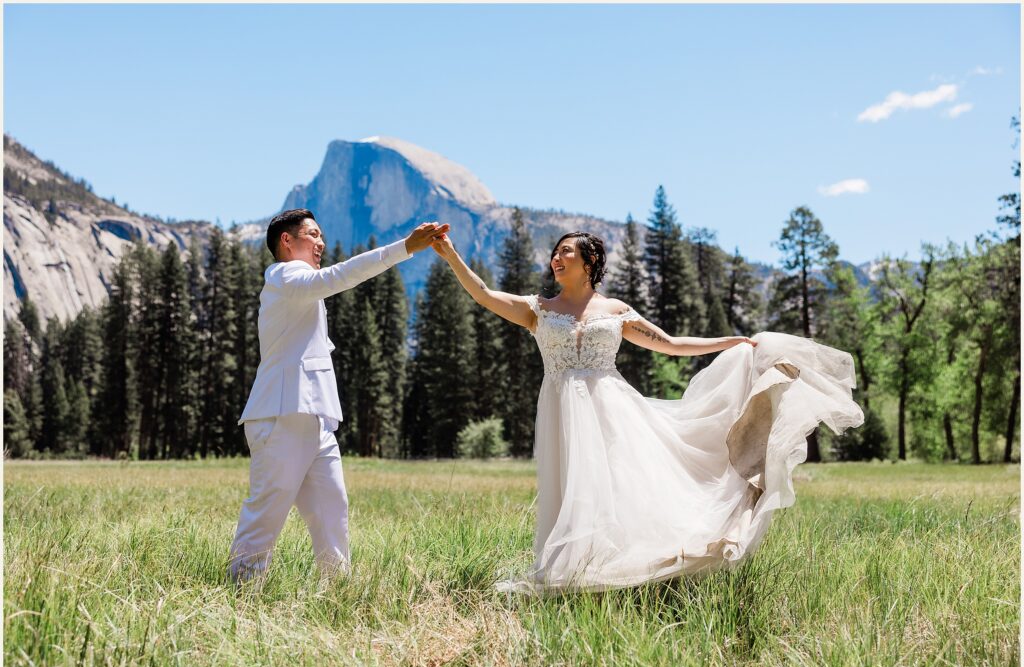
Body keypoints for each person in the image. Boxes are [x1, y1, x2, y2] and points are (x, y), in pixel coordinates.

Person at [430, 230, 864, 593]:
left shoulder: (617, 312)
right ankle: (573, 573)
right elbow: (484, 294)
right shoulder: (537, 309)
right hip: (561, 411)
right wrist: (449, 253)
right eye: (555, 253)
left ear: (590, 260)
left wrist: (728, 343)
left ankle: (629, 568)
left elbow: (670, 345)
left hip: (612, 408)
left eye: (565, 251)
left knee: (621, 486)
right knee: (572, 489)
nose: (555, 258)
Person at [227, 209, 449, 583]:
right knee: (267, 511)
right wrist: (404, 248)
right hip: (283, 414)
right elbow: (340, 275)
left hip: (313, 418)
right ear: (287, 241)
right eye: (312, 235)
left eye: (321, 236)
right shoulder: (285, 275)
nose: (321, 243)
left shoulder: (298, 287)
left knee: (333, 508)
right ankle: (240, 590)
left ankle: (338, 592)